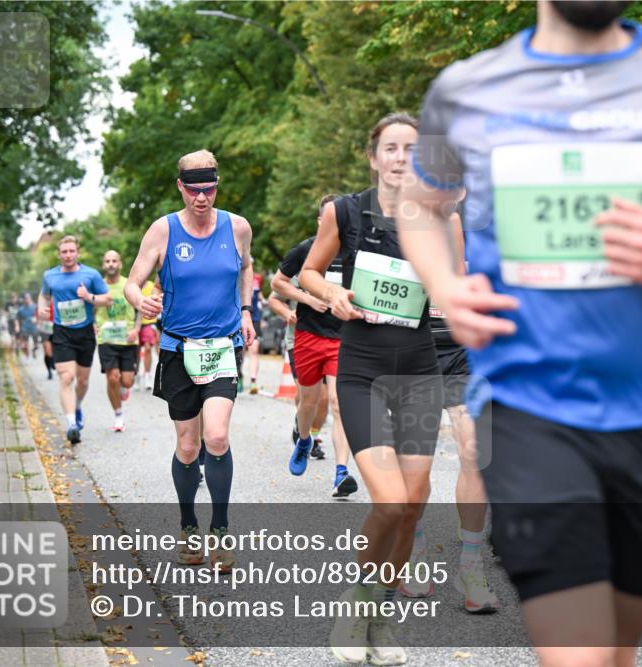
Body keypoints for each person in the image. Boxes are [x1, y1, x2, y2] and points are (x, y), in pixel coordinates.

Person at [398, 2, 642, 664]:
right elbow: (419, 204)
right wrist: (445, 284)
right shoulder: (465, 91)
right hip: (527, 407)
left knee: (614, 649)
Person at [300, 112, 447, 665]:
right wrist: (332, 295)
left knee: (413, 506)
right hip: (363, 371)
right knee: (389, 503)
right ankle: (354, 607)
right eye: (391, 148)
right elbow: (309, 272)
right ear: (373, 157)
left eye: (412, 149)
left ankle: (379, 617)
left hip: (419, 372)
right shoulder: (344, 211)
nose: (401, 157)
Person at [124, 149, 255, 573]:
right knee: (187, 446)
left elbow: (247, 268)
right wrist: (141, 301)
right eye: (194, 190)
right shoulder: (163, 231)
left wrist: (246, 310)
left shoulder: (237, 227)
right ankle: (188, 526)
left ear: (217, 186)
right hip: (178, 349)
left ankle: (220, 531)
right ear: (180, 187)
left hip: (223, 347)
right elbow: (132, 281)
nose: (202, 198)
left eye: (210, 190)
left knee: (216, 438)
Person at [401, 207, 501, 614]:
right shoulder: (386, 221)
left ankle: (470, 567)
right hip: (413, 357)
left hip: (462, 357)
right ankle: (415, 552)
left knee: (476, 452)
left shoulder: (459, 221)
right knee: (416, 469)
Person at [273, 194, 358, 497]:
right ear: (321, 220)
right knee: (308, 403)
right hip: (309, 335)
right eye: (330, 218)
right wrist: (308, 299)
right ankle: (304, 440)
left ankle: (341, 472)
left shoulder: (355, 252)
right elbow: (278, 283)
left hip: (342, 338)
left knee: (338, 403)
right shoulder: (305, 250)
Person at [38, 235, 111, 445]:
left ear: (78, 253)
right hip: (62, 332)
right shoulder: (49, 276)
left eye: (72, 251)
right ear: (59, 254)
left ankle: (77, 406)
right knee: (66, 377)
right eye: (64, 252)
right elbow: (43, 295)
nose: (68, 255)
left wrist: (89, 297)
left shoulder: (91, 275)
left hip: (85, 332)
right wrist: (41, 308)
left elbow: (107, 299)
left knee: (82, 380)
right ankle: (71, 424)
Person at [268, 273, 330, 460]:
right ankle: (303, 426)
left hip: (331, 340)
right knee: (307, 395)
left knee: (324, 396)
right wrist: (288, 313)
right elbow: (274, 299)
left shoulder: (341, 266)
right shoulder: (299, 270)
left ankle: (313, 437)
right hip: (299, 341)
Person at [96, 251, 141, 433]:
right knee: (113, 377)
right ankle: (118, 415)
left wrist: (136, 329)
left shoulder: (128, 285)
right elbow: (90, 307)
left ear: (120, 264)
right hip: (106, 339)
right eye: (107, 261)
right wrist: (93, 325)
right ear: (103, 265)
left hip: (127, 340)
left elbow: (140, 308)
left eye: (114, 261)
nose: (111, 264)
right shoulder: (98, 286)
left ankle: (124, 388)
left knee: (127, 381)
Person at [138, 277, 160, 390]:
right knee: (136, 351)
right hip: (134, 322)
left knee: (147, 348)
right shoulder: (133, 286)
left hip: (149, 321)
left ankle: (147, 375)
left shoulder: (152, 286)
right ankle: (136, 374)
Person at [245, 272, 265, 394]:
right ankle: (239, 376)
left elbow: (259, 294)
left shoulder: (258, 278)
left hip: (254, 319)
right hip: (239, 319)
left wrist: (264, 301)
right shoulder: (235, 275)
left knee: (254, 349)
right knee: (240, 350)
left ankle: (253, 381)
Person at [17, 293, 38, 359]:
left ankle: (34, 350)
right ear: (24, 300)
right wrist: (17, 326)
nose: (26, 300)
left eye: (28, 298)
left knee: (36, 345)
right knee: (24, 345)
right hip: (25, 328)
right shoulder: (21, 309)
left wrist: (36, 319)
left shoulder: (35, 307)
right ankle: (27, 355)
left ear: (30, 299)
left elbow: (40, 315)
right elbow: (17, 318)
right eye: (25, 299)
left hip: (34, 327)